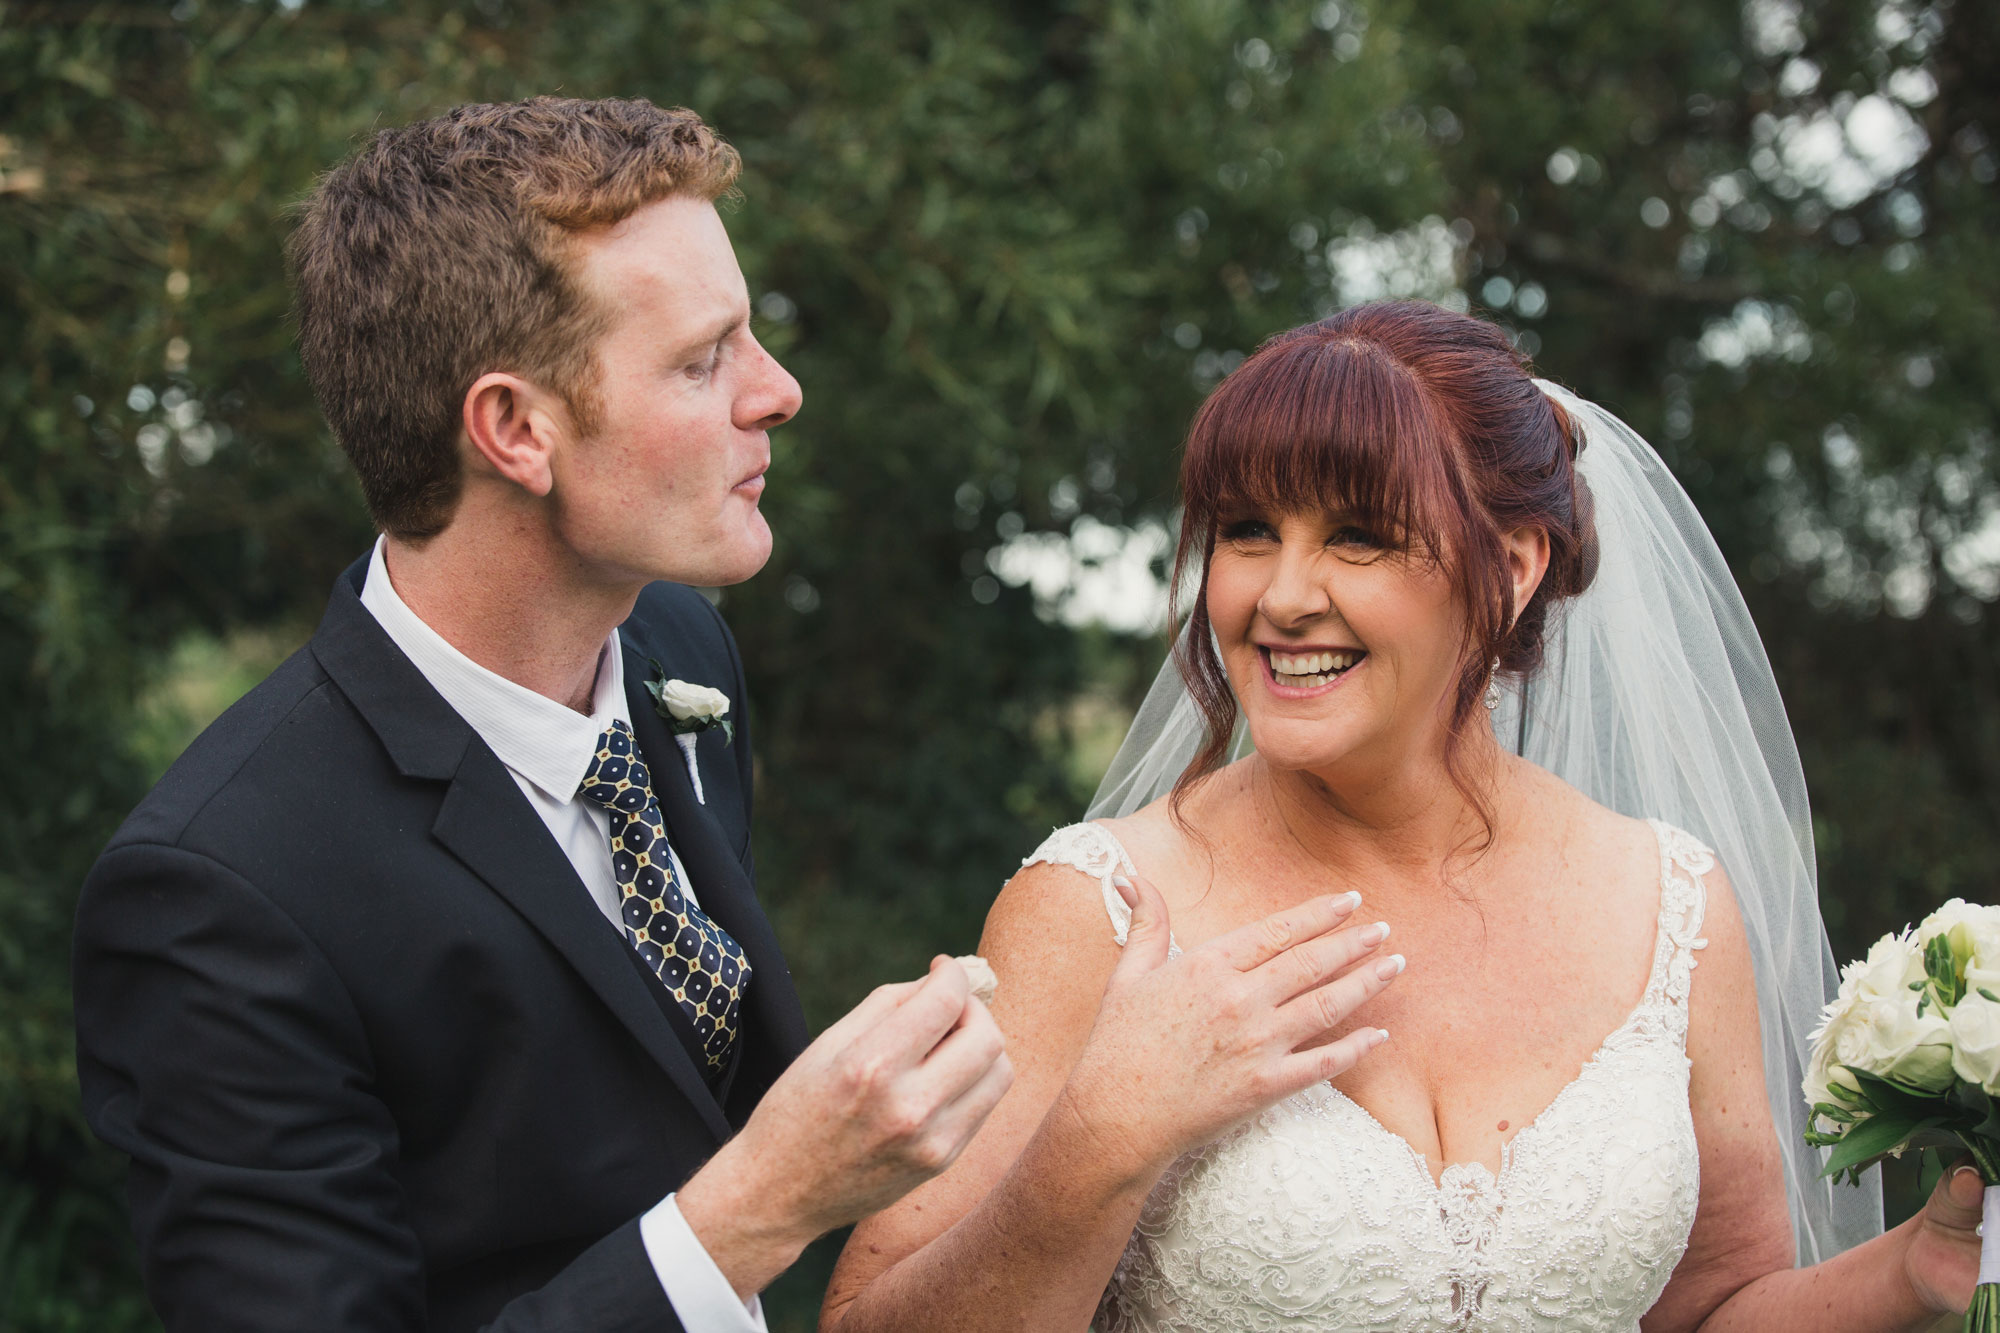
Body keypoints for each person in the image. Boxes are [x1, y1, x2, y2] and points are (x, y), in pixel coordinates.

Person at [820, 301, 1985, 1331]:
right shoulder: (1098, 911)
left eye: (1356, 536)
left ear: (1515, 562)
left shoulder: (1670, 906)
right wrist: (1100, 1139)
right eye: (1245, 531)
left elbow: (1709, 1311)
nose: (1279, 597)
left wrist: (1911, 1274)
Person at [70, 97, 1031, 1332]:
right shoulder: (218, 893)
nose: (778, 392)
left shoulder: (682, 652)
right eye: (703, 359)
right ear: (516, 430)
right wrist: (756, 1206)